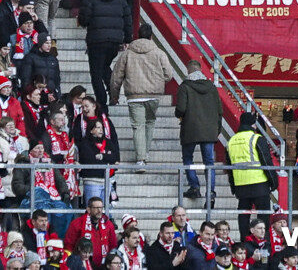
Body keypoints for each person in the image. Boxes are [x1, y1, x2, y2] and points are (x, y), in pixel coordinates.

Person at [109, 23, 173, 167]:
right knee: (150, 122)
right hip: (154, 95)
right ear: (151, 36)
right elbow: (169, 74)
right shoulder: (159, 53)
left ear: (137, 35)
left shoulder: (127, 53)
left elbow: (116, 76)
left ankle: (140, 160)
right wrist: (158, 81)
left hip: (134, 95)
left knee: (138, 126)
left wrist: (115, 95)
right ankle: (146, 153)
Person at [77, 0, 132, 109]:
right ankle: (113, 93)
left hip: (96, 40)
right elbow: (128, 19)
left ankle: (101, 102)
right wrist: (127, 39)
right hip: (115, 41)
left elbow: (84, 20)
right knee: (105, 66)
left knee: (96, 72)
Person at [225, 112, 278, 239]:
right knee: (263, 215)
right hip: (259, 184)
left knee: (244, 214)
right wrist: (274, 182)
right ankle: (263, 241)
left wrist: (233, 187)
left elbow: (230, 168)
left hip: (241, 185)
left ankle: (244, 241)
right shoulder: (256, 138)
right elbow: (267, 162)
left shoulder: (231, 141)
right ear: (254, 124)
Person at [175, 59, 223, 201]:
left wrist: (178, 115)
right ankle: (211, 192)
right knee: (209, 162)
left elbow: (181, 108)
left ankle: (194, 187)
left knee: (188, 159)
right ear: (200, 70)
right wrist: (217, 128)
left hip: (190, 128)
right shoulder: (212, 87)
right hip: (209, 130)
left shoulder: (185, 86)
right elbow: (219, 110)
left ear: (189, 70)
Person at [64, 199, 117, 268]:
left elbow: (113, 245)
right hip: (82, 265)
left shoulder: (108, 224)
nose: (99, 210)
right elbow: (69, 246)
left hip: (103, 265)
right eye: (96, 208)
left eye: (101, 208)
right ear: (89, 209)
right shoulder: (77, 224)